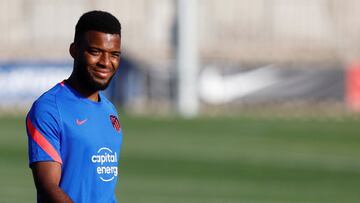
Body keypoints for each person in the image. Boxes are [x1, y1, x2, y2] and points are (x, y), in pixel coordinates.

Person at [25, 10, 123, 203]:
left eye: (114, 54)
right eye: (95, 52)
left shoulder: (110, 112)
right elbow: (48, 187)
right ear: (74, 50)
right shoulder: (49, 109)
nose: (105, 62)